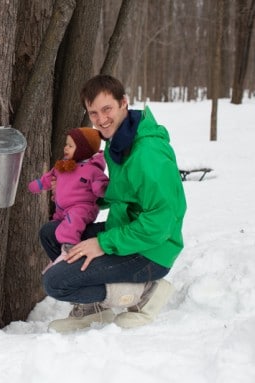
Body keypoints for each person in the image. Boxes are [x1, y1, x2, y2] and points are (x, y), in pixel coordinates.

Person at [41, 75, 186, 332]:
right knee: (53, 235)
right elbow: (122, 193)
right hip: (127, 231)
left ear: (123, 103)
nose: (101, 119)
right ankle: (94, 308)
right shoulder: (119, 142)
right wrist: (76, 192)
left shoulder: (148, 154)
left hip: (152, 249)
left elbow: (159, 224)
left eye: (107, 109)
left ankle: (147, 291)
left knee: (57, 283)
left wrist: (102, 243)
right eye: (93, 113)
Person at [28, 127, 109, 274]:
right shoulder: (64, 165)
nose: (66, 148)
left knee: (71, 224)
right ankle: (58, 257)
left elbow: (102, 184)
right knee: (52, 230)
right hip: (62, 209)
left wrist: (101, 187)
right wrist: (38, 185)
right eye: (66, 144)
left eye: (71, 146)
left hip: (82, 208)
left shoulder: (92, 170)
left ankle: (69, 249)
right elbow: (49, 177)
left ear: (83, 150)